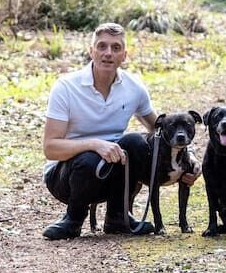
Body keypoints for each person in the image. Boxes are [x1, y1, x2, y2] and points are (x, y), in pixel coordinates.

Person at [41, 22, 163, 240]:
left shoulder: (134, 87)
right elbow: (50, 148)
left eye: (115, 48)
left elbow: (160, 129)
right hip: (65, 178)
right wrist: (94, 144)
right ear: (91, 51)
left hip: (111, 175)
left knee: (136, 142)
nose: (108, 53)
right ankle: (73, 219)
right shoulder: (66, 87)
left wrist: (187, 158)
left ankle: (118, 217)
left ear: (124, 55)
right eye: (102, 46)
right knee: (88, 157)